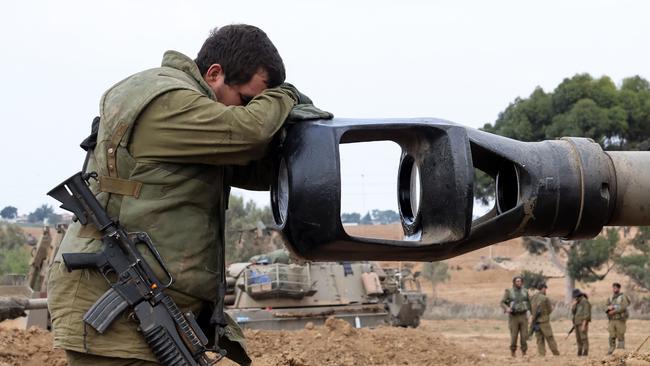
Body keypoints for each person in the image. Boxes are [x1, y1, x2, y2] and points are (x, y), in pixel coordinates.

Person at [47, 24, 329, 366]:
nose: (252, 110)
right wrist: (285, 96)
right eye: (247, 100)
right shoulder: (166, 100)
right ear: (214, 74)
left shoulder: (191, 116)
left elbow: (255, 166)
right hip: (116, 315)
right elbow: (248, 133)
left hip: (147, 308)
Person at [500, 276, 530, 357]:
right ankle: (513, 352)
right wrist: (507, 308)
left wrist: (531, 314)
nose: (519, 283)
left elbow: (529, 303)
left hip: (523, 316)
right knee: (514, 336)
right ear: (514, 282)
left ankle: (524, 352)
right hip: (514, 317)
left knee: (524, 336)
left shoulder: (525, 291)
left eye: (520, 281)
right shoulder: (509, 291)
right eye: (517, 281)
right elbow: (502, 302)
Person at [529, 283, 560, 356]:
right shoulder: (545, 298)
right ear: (542, 288)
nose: (546, 290)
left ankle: (542, 354)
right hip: (544, 321)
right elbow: (550, 309)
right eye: (545, 288)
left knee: (539, 339)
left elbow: (530, 308)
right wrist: (545, 315)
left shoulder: (532, 297)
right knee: (550, 338)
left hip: (535, 322)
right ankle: (555, 353)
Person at [606, 282, 630, 354]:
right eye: (613, 287)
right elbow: (606, 305)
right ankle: (611, 350)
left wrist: (614, 311)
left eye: (616, 288)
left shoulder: (623, 297)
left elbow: (623, 307)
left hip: (620, 320)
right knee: (611, 335)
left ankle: (620, 352)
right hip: (612, 320)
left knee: (620, 335)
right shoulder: (610, 298)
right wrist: (608, 309)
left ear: (619, 288)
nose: (614, 289)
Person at [571, 288, 592, 357]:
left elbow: (587, 314)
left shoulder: (584, 302)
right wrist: (573, 305)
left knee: (584, 338)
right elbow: (573, 312)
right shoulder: (577, 302)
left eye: (575, 297)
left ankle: (585, 352)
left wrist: (584, 325)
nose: (575, 298)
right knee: (578, 339)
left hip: (582, 323)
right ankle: (579, 352)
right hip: (576, 323)